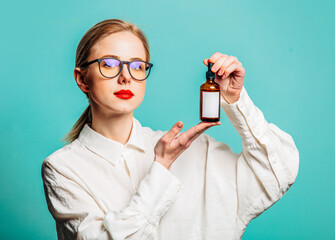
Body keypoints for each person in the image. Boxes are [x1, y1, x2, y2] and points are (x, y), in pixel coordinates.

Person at [41, 18, 299, 240]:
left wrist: (235, 99)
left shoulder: (195, 150)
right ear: (81, 78)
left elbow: (277, 173)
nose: (125, 77)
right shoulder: (63, 168)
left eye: (137, 65)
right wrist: (161, 168)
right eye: (109, 64)